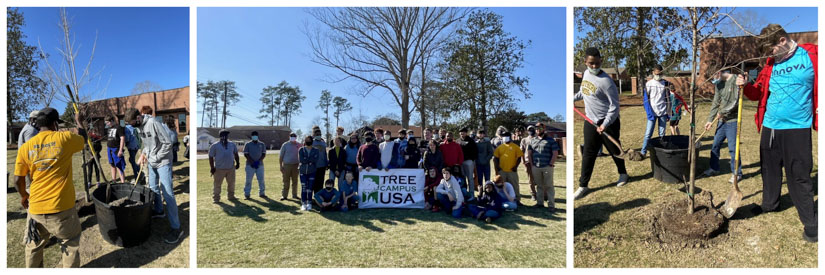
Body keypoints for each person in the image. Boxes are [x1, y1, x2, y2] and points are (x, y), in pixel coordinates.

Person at [739, 24, 818, 242]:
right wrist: (746, 86)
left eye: (770, 49)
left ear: (782, 41)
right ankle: (769, 205)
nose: (769, 55)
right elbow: (757, 94)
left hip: (797, 127)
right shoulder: (770, 65)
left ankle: (811, 222)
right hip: (771, 126)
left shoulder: (811, 55)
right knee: (769, 169)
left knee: (799, 175)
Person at [14, 107, 83, 267]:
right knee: (70, 243)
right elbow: (83, 139)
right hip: (62, 207)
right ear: (55, 124)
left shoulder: (26, 147)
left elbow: (17, 179)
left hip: (35, 208)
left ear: (37, 124)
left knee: (34, 246)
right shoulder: (65, 138)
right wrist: (79, 121)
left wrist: (24, 196)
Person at [573, 47, 629, 200]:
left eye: (597, 63)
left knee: (614, 149)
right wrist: (572, 97)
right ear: (585, 62)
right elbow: (584, 91)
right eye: (591, 63)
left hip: (608, 122)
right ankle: (583, 186)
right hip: (590, 120)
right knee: (588, 154)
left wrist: (605, 124)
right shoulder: (585, 74)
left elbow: (614, 106)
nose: (594, 67)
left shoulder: (606, 81)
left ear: (601, 61)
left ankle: (623, 174)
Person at [126, 107, 183, 243]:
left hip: (163, 162)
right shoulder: (139, 127)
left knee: (168, 193)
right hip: (151, 162)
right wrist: (144, 154)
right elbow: (147, 145)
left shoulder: (154, 124)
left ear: (138, 118)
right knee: (152, 188)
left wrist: (156, 156)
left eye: (133, 123)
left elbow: (167, 143)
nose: (133, 126)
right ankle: (159, 211)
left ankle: (176, 228)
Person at [703, 70, 744, 182]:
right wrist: (709, 120)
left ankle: (737, 173)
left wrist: (724, 111)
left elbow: (736, 101)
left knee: (733, 149)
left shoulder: (736, 79)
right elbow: (716, 102)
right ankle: (714, 168)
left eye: (714, 77)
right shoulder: (719, 84)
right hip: (721, 121)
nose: (713, 80)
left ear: (719, 72)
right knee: (715, 145)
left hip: (733, 121)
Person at [640, 64, 672, 156]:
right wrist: (649, 113)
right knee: (648, 134)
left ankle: (661, 151)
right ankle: (643, 151)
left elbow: (668, 99)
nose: (658, 75)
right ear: (653, 73)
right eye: (656, 73)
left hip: (663, 112)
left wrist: (668, 113)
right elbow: (646, 100)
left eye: (660, 74)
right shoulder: (649, 84)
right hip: (652, 113)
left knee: (662, 134)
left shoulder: (665, 84)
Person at [526, 128, 560, 212]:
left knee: (549, 186)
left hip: (547, 166)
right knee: (539, 186)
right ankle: (539, 203)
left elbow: (555, 152)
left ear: (543, 130)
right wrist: (532, 165)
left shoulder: (550, 140)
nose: (538, 130)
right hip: (536, 167)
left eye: (540, 129)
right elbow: (529, 153)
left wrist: (551, 163)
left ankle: (551, 205)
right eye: (536, 129)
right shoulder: (532, 140)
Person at [208, 129, 240, 203]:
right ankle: (216, 198)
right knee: (217, 184)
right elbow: (211, 157)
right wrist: (212, 167)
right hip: (219, 169)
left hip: (231, 168)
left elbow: (236, 154)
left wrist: (238, 163)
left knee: (231, 183)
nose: (225, 137)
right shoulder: (215, 145)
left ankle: (231, 196)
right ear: (220, 136)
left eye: (226, 135)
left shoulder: (232, 144)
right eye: (223, 135)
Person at [493, 131, 523, 204]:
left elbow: (519, 157)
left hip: (512, 170)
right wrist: (498, 168)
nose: (504, 137)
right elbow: (496, 158)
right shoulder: (499, 147)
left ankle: (517, 200)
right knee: (500, 186)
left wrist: (515, 167)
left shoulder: (515, 146)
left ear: (510, 137)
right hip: (502, 170)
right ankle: (500, 199)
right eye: (503, 136)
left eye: (506, 136)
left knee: (514, 185)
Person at [243, 131, 267, 199]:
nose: (254, 136)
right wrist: (252, 162)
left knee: (261, 180)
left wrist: (258, 161)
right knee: (248, 180)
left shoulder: (262, 144)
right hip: (249, 165)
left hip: (260, 165)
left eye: (256, 135)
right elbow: (246, 154)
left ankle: (262, 193)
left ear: (258, 136)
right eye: (253, 135)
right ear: (251, 136)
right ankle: (247, 194)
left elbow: (263, 154)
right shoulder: (248, 144)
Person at [299, 136, 320, 211]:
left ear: (312, 141)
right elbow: (301, 160)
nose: (307, 141)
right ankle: (303, 203)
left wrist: (307, 159)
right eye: (306, 140)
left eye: (309, 140)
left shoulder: (316, 150)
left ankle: (309, 203)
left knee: (310, 188)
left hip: (312, 171)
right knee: (304, 187)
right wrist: (309, 161)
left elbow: (315, 159)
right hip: (303, 171)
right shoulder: (301, 150)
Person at [105, 115, 126, 183]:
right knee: (112, 165)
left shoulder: (119, 127)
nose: (107, 124)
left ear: (112, 121)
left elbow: (122, 138)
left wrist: (120, 150)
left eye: (107, 122)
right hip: (109, 149)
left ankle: (123, 182)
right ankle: (114, 180)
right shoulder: (109, 128)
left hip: (116, 149)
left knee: (119, 166)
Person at [279, 132, 300, 201]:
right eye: (291, 136)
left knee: (295, 181)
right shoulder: (285, 145)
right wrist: (281, 166)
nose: (293, 137)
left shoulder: (299, 145)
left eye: (294, 136)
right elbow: (281, 156)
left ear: (296, 137)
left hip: (296, 165)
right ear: (289, 137)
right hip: (286, 165)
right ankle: (284, 195)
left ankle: (294, 195)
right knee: (286, 181)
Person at [458, 128, 478, 196]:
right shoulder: (458, 141)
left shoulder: (471, 140)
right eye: (461, 132)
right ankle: (465, 193)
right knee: (463, 178)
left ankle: (471, 193)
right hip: (461, 162)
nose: (462, 133)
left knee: (470, 178)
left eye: (463, 132)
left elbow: (475, 151)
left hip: (469, 161)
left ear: (466, 133)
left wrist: (472, 159)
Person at [520, 125, 536, 200]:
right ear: (527, 131)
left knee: (540, 179)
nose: (531, 131)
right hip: (528, 161)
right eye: (529, 129)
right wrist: (523, 162)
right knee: (531, 179)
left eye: (532, 129)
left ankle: (542, 194)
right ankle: (533, 194)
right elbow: (521, 152)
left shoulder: (538, 139)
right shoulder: (524, 140)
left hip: (538, 161)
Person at [311, 127, 329, 193]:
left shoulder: (323, 143)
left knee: (320, 182)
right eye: (317, 134)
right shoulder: (311, 142)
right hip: (313, 166)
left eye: (320, 134)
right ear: (314, 135)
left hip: (322, 166)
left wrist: (326, 163)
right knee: (313, 182)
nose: (319, 135)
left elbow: (325, 154)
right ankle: (312, 196)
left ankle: (318, 197)